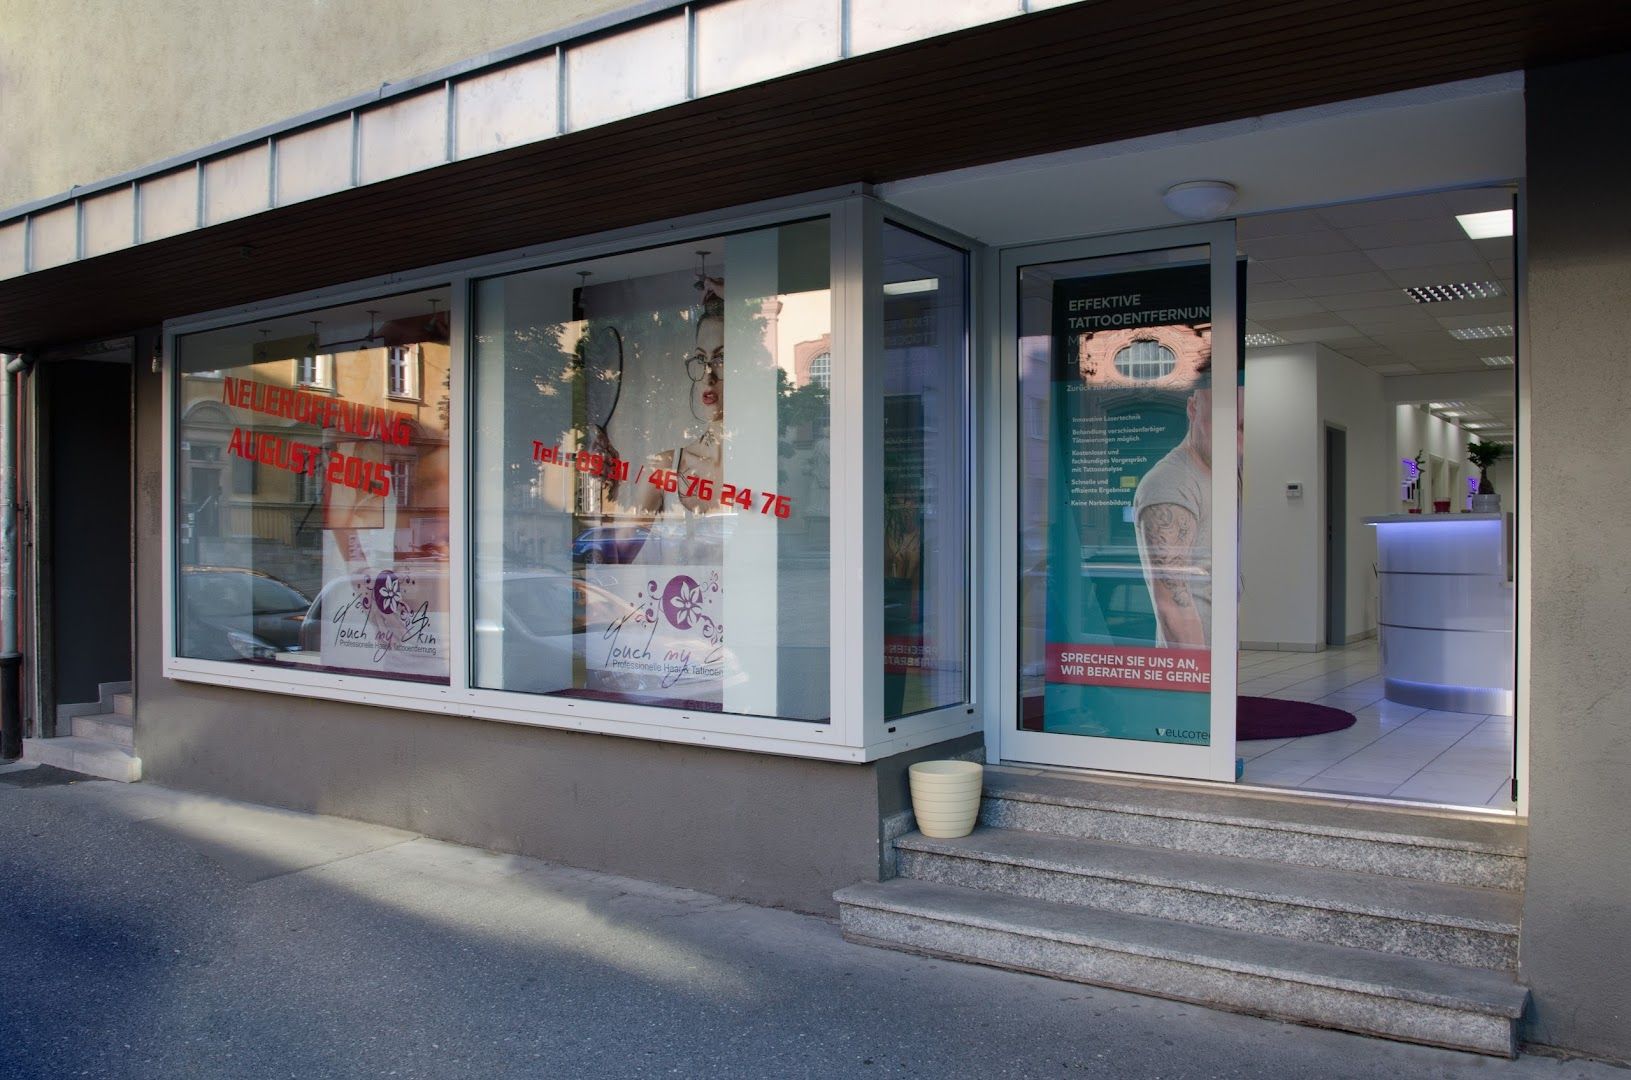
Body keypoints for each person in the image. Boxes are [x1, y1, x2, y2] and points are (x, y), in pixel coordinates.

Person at [1132, 355, 1239, 648]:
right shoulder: (1173, 484)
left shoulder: (1221, 472)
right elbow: (1172, 605)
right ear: (1193, 408)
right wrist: (1196, 677)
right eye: (1223, 421)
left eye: (1242, 427)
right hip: (1196, 667)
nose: (1235, 438)